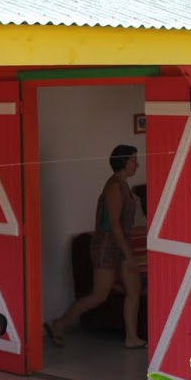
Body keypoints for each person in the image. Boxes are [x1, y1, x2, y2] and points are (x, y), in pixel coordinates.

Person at [46, 144, 145, 349]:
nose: (137, 164)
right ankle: (59, 324)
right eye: (134, 160)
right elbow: (114, 224)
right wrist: (128, 253)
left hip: (121, 242)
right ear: (123, 162)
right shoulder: (114, 186)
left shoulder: (124, 185)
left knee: (133, 289)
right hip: (106, 245)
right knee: (100, 294)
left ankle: (132, 337)